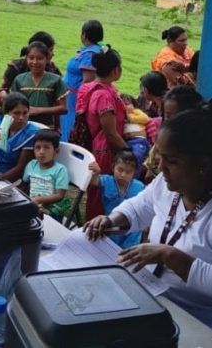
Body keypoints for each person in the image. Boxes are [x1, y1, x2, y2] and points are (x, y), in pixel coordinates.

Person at [85, 99, 212, 338]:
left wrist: (169, 255)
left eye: (172, 161)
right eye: (160, 156)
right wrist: (112, 220)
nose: (160, 167)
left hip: (204, 326)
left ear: (202, 166)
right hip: (157, 303)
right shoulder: (170, 183)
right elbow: (139, 207)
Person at [80, 45, 127, 220]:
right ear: (116, 71)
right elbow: (110, 133)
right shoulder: (104, 95)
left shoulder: (94, 87)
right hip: (106, 151)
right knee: (102, 196)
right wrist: (128, 152)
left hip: (103, 149)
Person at [144, 85, 203, 184]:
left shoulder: (194, 148)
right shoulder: (164, 137)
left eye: (177, 116)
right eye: (168, 115)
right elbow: (149, 174)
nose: (171, 121)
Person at [88, 151, 144, 249]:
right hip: (111, 225)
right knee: (108, 250)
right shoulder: (106, 180)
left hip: (132, 231)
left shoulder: (140, 187)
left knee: (127, 252)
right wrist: (96, 173)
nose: (123, 174)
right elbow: (94, 182)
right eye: (120, 170)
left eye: (128, 172)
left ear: (134, 173)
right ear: (113, 167)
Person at [61, 19, 103, 141]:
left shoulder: (90, 54)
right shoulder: (89, 51)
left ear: (83, 35)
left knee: (70, 127)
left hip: (75, 99)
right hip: (70, 97)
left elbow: (87, 82)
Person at [0, 92, 39, 182]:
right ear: (6, 113)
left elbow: (20, 169)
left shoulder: (30, 133)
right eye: (16, 113)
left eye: (25, 113)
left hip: (9, 179)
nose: (21, 117)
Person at [10, 41, 67, 128]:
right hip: (23, 127)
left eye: (40, 58)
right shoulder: (19, 79)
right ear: (26, 58)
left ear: (47, 59)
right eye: (31, 58)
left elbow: (63, 108)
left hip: (46, 128)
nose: (35, 62)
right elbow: (12, 105)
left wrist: (39, 110)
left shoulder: (55, 80)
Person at [22, 129, 70, 221]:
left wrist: (39, 200)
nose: (41, 152)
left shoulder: (60, 170)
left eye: (46, 147)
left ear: (56, 150)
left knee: (36, 214)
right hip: (32, 204)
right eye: (38, 147)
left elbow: (60, 195)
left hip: (52, 209)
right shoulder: (32, 165)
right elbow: (24, 185)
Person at [120, 93, 150, 177]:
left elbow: (146, 119)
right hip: (127, 142)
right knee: (125, 159)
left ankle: (134, 177)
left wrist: (130, 118)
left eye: (127, 104)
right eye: (122, 104)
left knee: (137, 157)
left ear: (134, 105)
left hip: (139, 140)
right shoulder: (120, 116)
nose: (125, 107)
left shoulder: (135, 112)